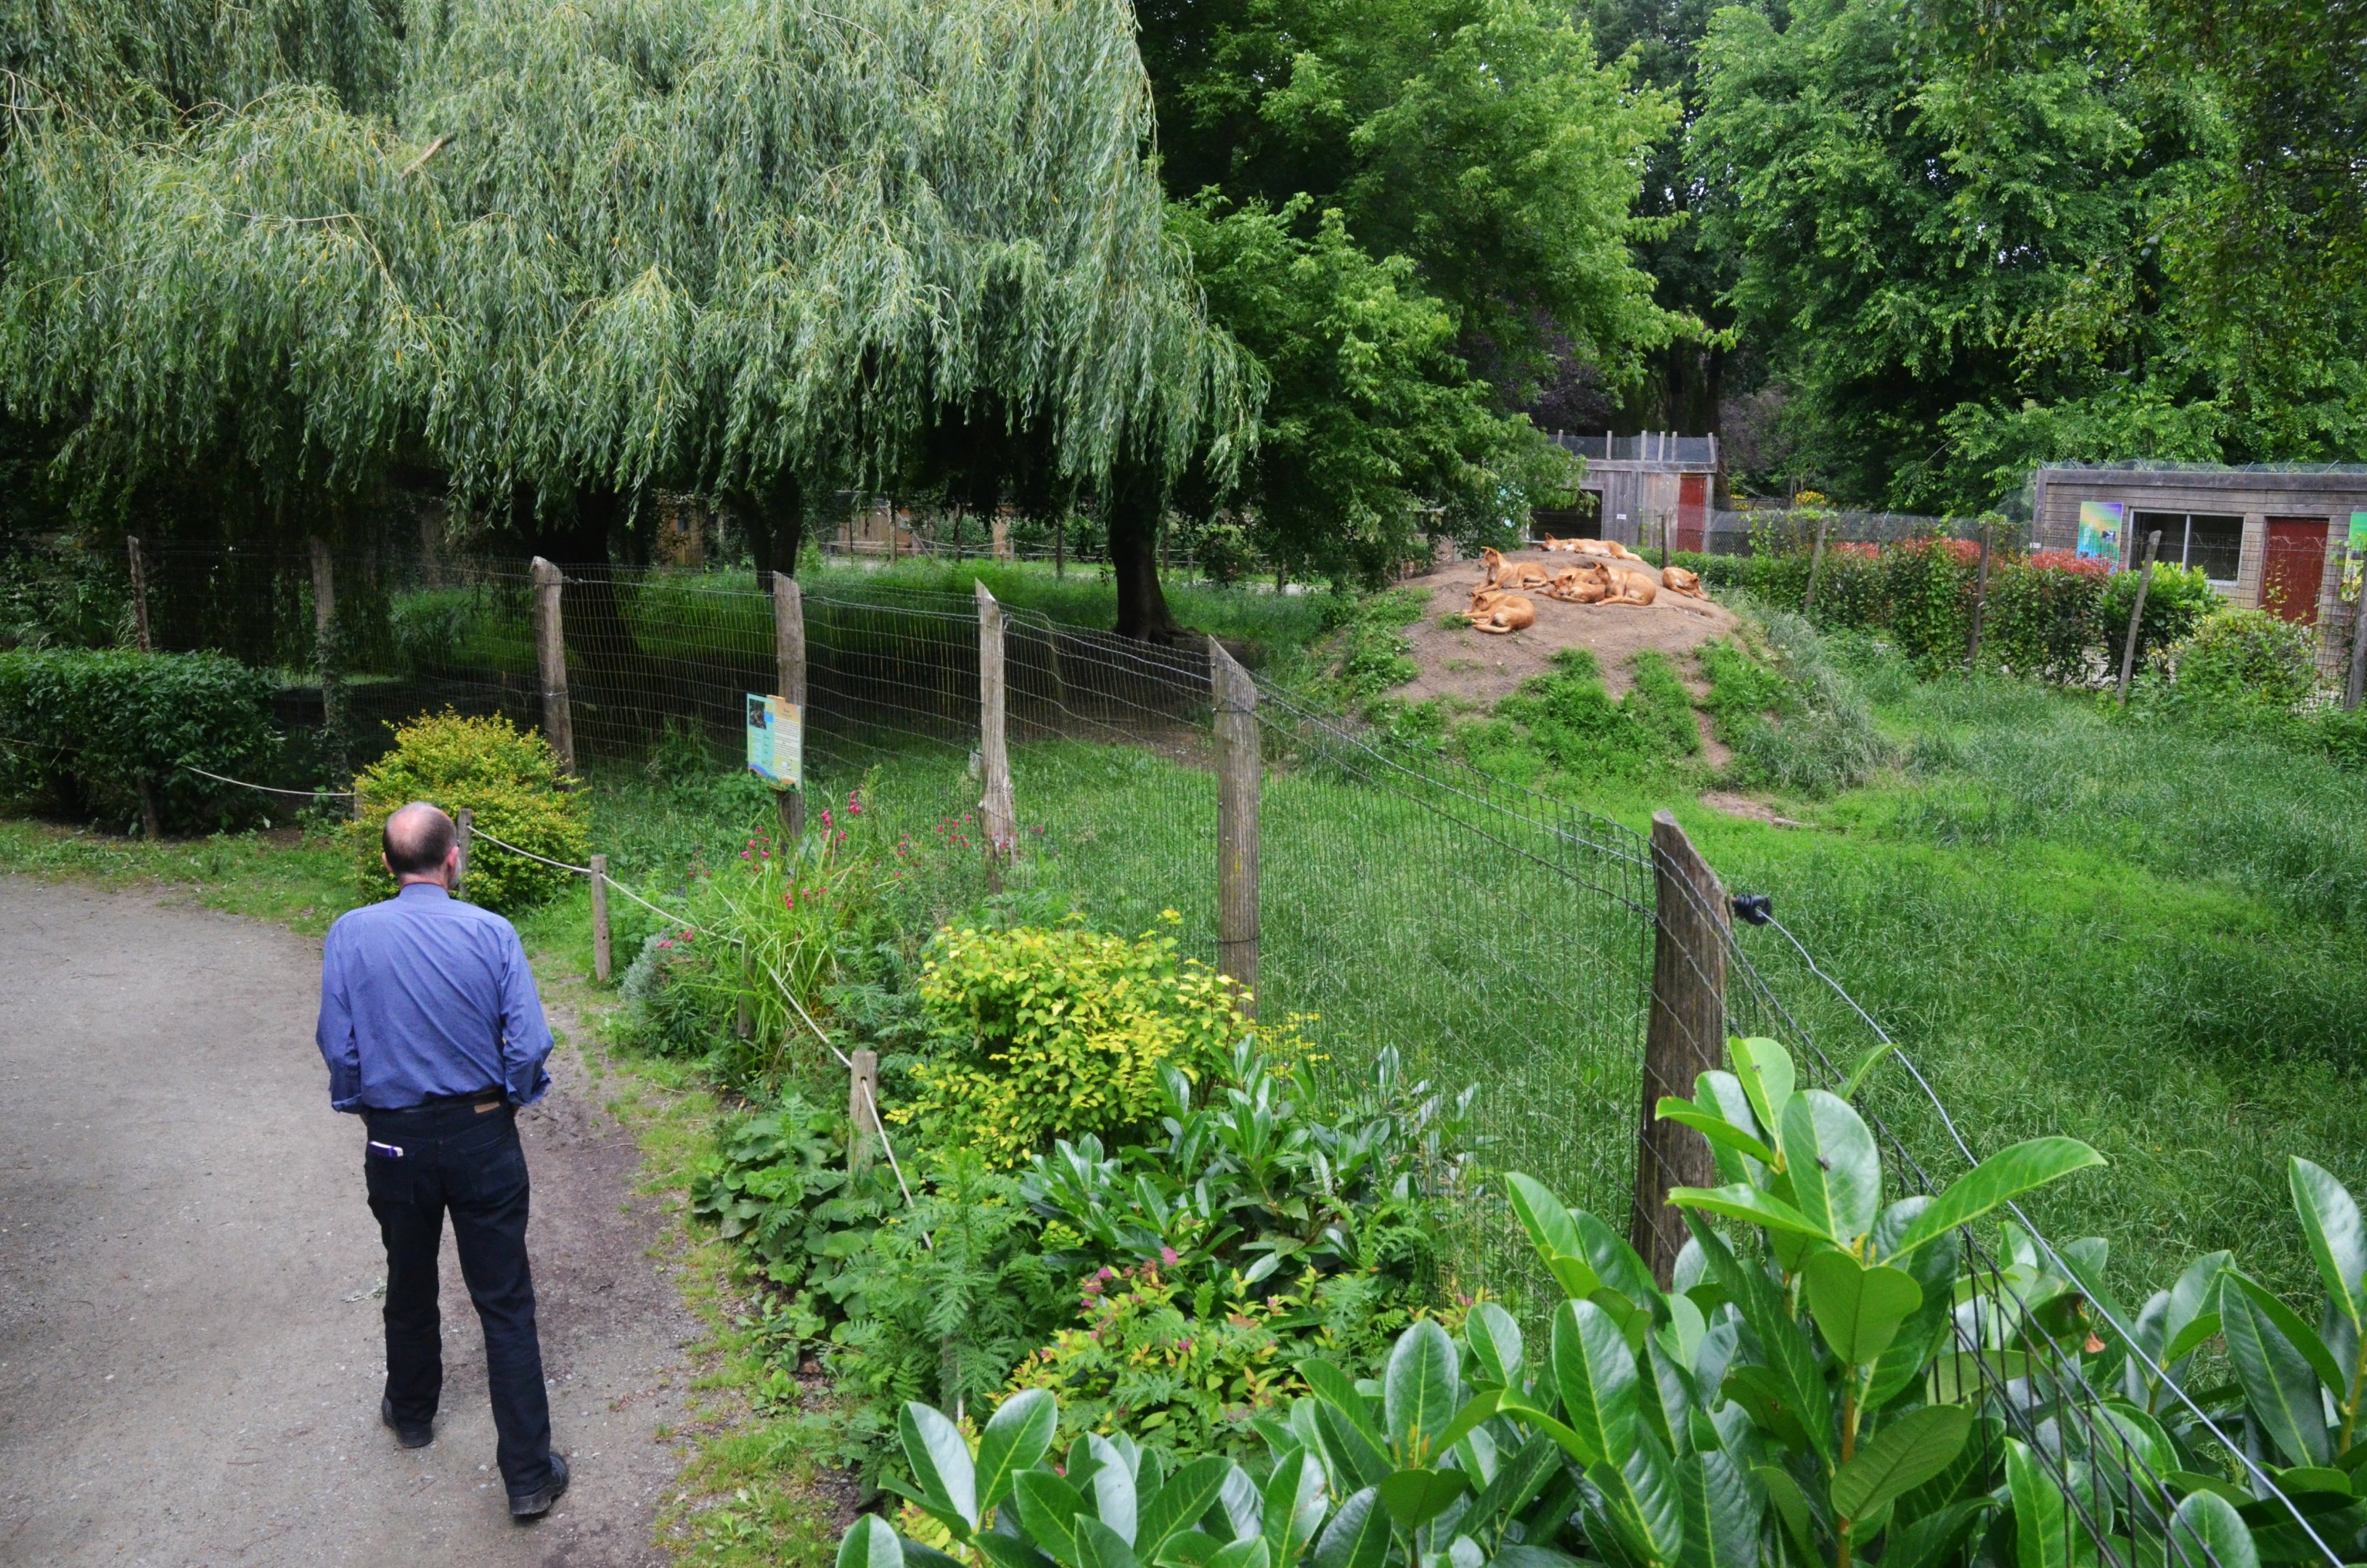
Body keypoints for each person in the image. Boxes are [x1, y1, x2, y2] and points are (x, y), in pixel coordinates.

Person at [315, 800, 570, 1519]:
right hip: (482, 1131)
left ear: (388, 865)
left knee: (408, 1274)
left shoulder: (349, 934)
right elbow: (528, 1043)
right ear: (452, 858)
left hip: (394, 1138)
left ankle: (413, 1412)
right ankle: (527, 1475)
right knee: (505, 1302)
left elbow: (340, 1046)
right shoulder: (492, 933)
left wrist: (366, 1107)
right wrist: (511, 1100)